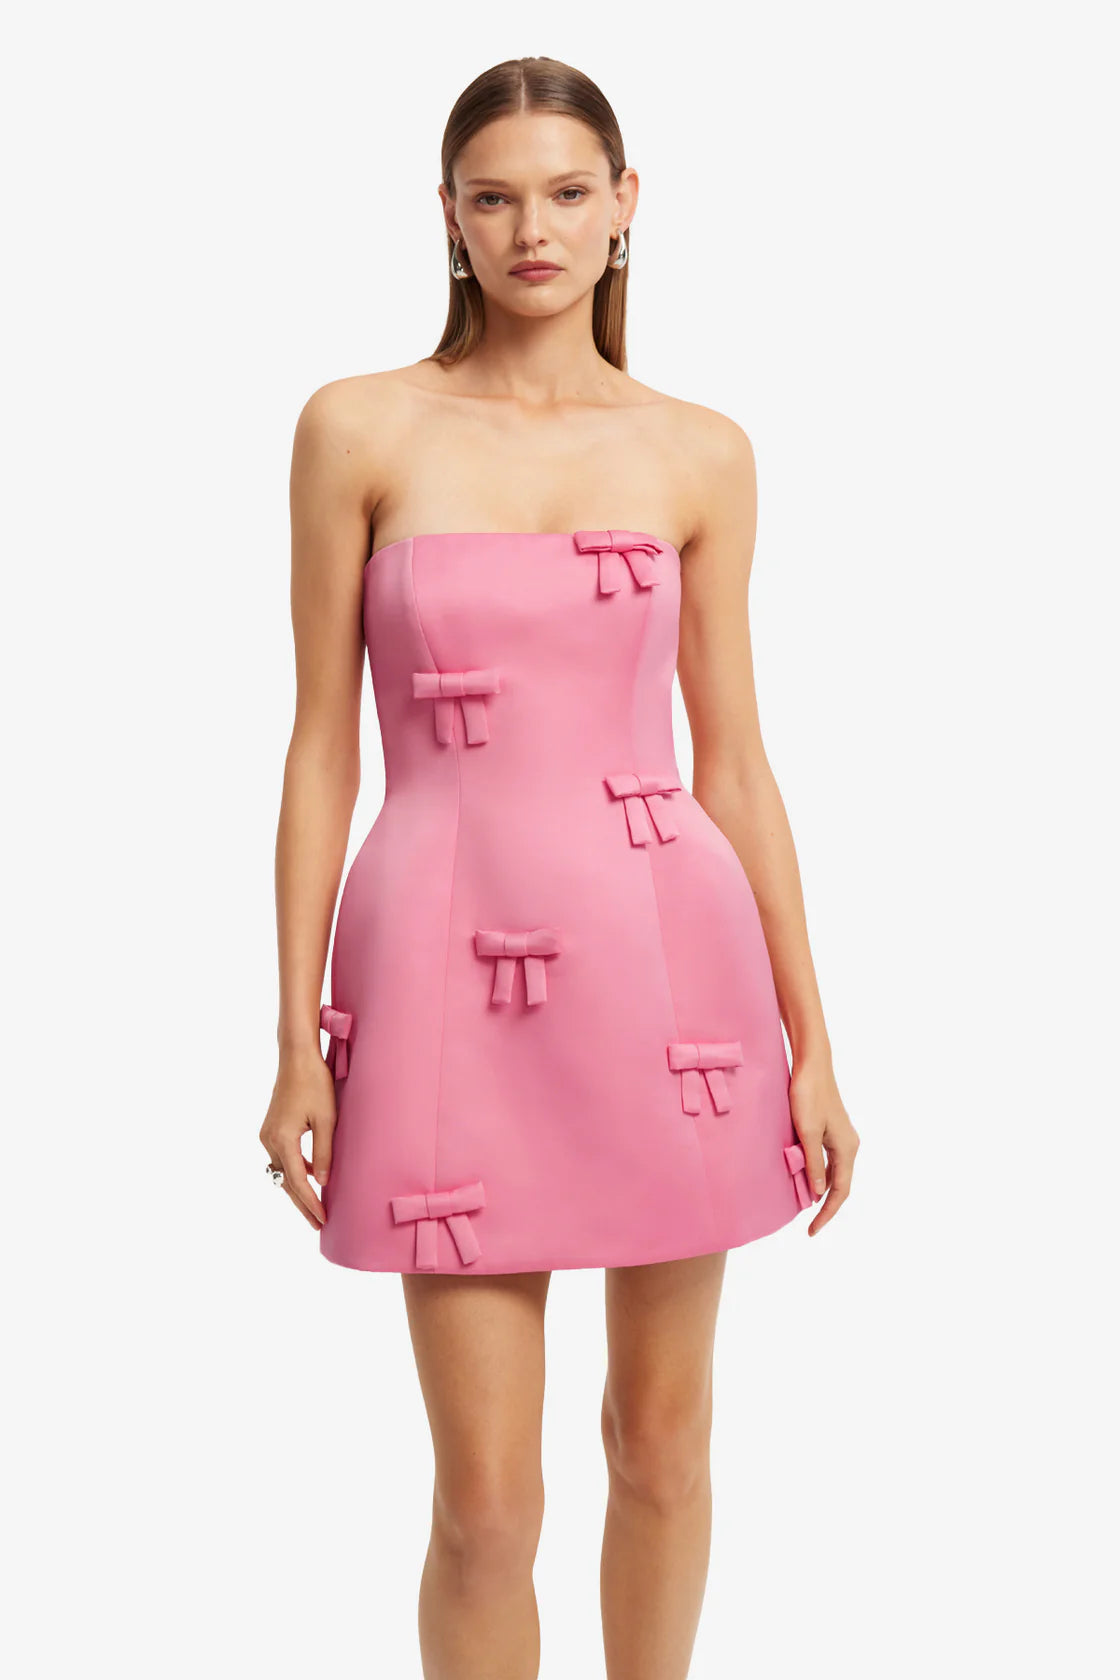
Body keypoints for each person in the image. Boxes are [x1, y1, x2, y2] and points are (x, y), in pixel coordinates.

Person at [260, 53, 859, 1680]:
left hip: (673, 984)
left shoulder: (701, 451)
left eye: (569, 192)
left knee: (662, 1449)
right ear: (449, 217)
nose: (534, 229)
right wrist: (297, 1034)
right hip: (439, 986)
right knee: (485, 1505)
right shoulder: (356, 426)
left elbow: (734, 762)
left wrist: (812, 1040)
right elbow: (321, 749)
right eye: (496, 197)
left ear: (625, 206)